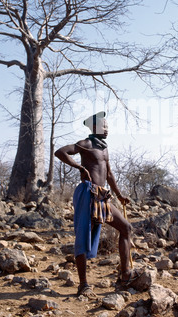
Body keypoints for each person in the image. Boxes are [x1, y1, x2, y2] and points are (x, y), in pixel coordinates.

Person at [55, 112, 139, 298]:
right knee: (83, 237)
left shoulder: (104, 149)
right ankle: (83, 284)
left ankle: (125, 275)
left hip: (102, 195)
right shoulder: (86, 144)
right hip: (88, 193)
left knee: (126, 228)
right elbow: (60, 152)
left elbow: (109, 175)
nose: (107, 129)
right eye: (104, 126)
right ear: (94, 128)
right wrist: (79, 167)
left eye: (108, 126)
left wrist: (120, 195)